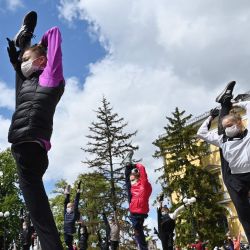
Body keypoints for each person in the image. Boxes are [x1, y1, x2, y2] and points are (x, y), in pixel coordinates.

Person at [7, 11, 64, 250]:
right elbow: (22, 72)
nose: (24, 64)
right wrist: (20, 57)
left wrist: (37, 46)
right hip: (24, 147)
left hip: (31, 147)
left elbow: (54, 35)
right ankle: (24, 40)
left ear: (42, 61)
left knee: (40, 215)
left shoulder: (51, 77)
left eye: (28, 59)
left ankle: (53, 247)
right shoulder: (28, 82)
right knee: (37, 210)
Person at [197, 81, 250, 242]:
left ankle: (225, 102)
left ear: (240, 123)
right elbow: (202, 133)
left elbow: (248, 105)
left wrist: (235, 103)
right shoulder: (222, 138)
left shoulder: (248, 133)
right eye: (225, 126)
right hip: (235, 178)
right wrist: (211, 117)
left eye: (230, 125)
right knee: (244, 215)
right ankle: (224, 104)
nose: (227, 128)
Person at [124, 150, 152, 250]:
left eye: (134, 178)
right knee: (138, 230)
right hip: (134, 209)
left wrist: (135, 165)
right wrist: (131, 167)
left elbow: (142, 169)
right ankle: (127, 165)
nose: (132, 181)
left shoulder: (143, 184)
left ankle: (143, 247)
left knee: (138, 230)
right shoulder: (132, 187)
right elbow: (128, 181)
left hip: (138, 210)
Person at [64, 182, 81, 250]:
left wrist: (78, 190)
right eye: (67, 207)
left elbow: (76, 202)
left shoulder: (74, 213)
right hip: (66, 232)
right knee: (68, 244)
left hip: (70, 232)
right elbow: (66, 203)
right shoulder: (65, 212)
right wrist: (67, 193)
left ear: (72, 208)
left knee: (69, 244)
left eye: (69, 207)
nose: (68, 208)